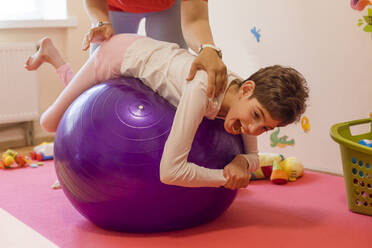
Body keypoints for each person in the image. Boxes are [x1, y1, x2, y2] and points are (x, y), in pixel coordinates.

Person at [25, 34, 309, 190]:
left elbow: (253, 158)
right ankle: (54, 56)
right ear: (246, 89)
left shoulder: (243, 105)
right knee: (50, 122)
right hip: (118, 55)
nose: (251, 130)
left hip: (152, 55)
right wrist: (226, 177)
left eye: (265, 128)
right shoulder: (202, 90)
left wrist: (242, 164)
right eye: (256, 116)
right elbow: (170, 172)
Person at [83, 0, 227, 99]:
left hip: (167, 6)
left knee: (172, 77)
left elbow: (195, 20)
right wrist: (100, 22)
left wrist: (208, 48)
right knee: (97, 78)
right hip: (113, 6)